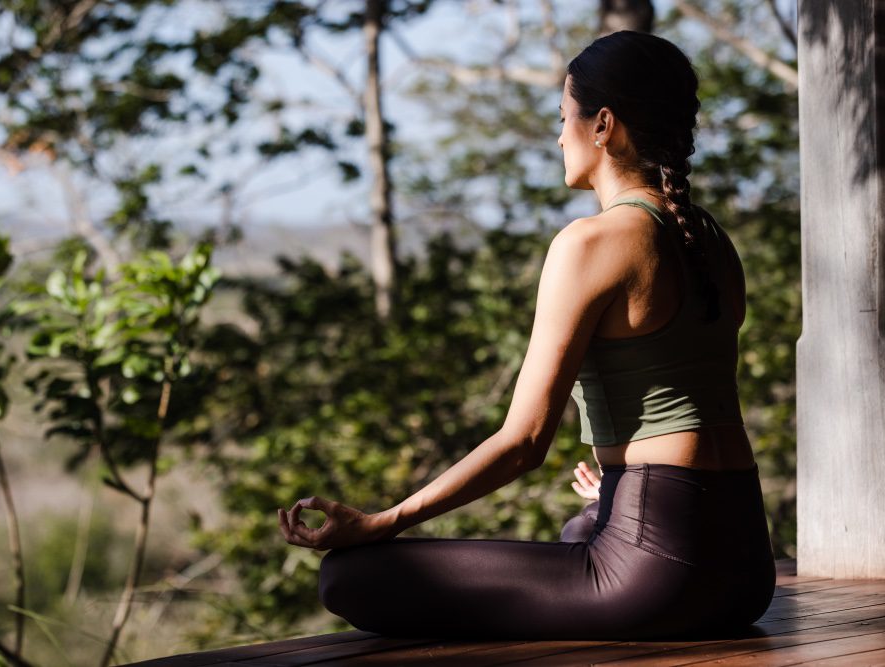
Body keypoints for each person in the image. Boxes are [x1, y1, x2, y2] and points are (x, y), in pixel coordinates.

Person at [277, 29, 776, 640]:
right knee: (577, 529)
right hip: (745, 567)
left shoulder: (591, 244)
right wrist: (623, 489)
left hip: (660, 571)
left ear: (604, 125)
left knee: (348, 578)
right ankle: (612, 519)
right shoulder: (710, 239)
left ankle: (615, 529)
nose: (558, 133)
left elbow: (525, 442)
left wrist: (387, 520)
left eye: (563, 116)